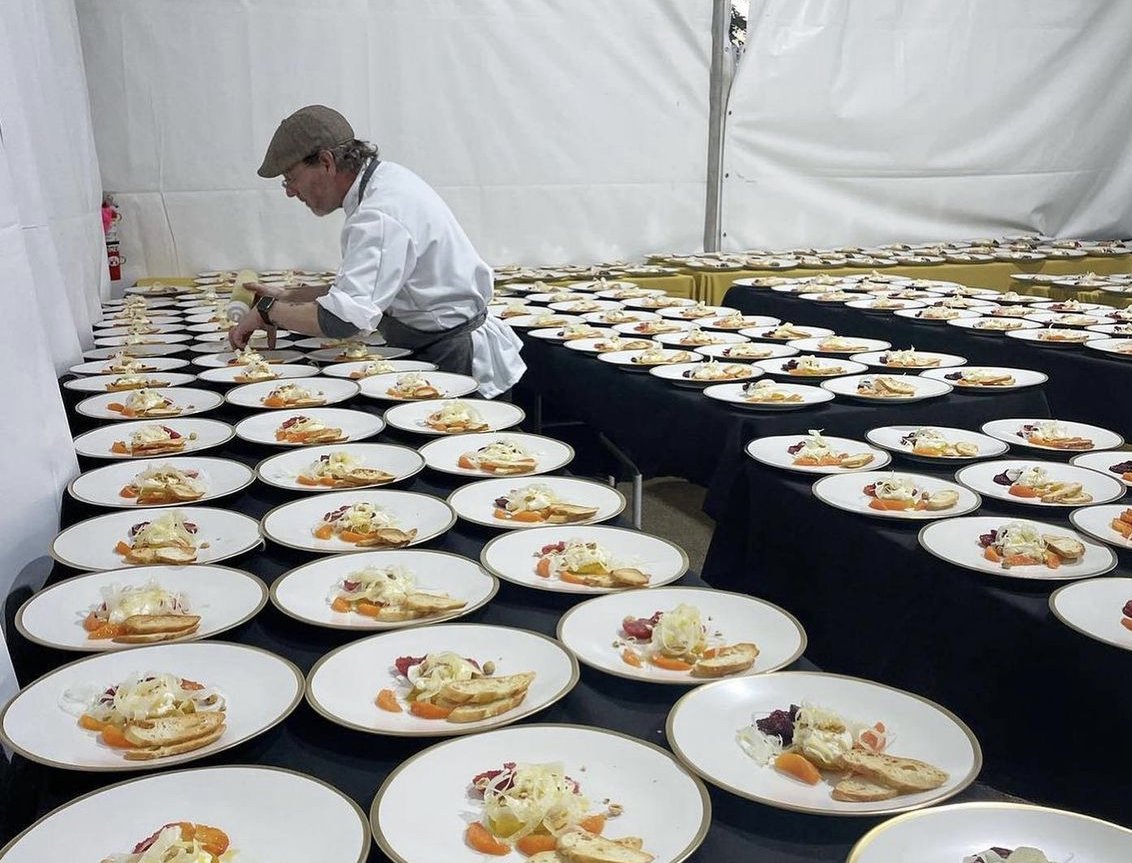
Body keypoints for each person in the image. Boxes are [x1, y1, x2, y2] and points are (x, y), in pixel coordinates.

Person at [229, 104, 525, 398]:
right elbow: (370, 291)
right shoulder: (384, 181)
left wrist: (267, 314)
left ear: (326, 162)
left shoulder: (379, 214)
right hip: (438, 343)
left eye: (291, 178)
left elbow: (345, 321)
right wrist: (287, 296)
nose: (290, 191)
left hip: (456, 360)